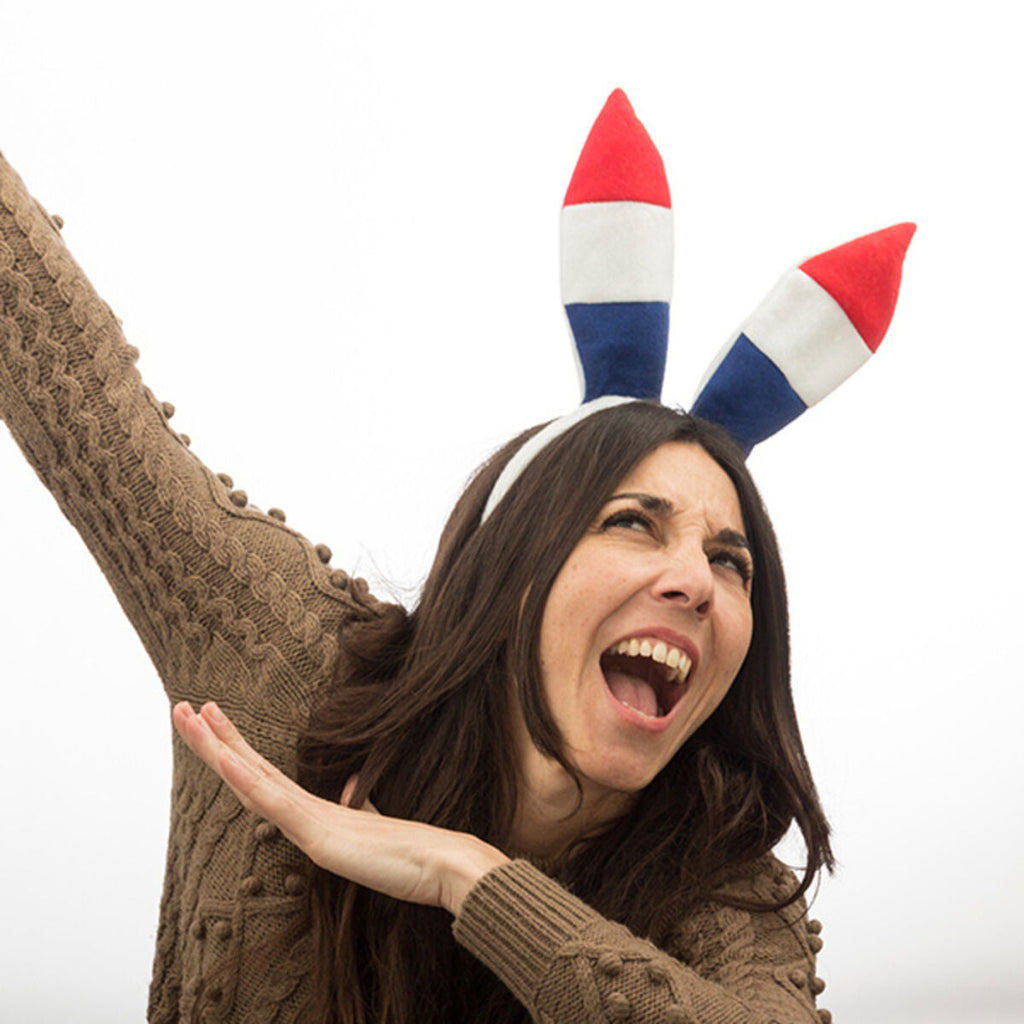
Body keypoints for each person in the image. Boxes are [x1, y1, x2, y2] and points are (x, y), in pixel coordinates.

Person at [2, 86, 907, 1019]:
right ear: (512, 570)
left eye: (731, 561)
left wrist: (465, 875)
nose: (695, 582)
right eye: (633, 522)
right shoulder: (282, 661)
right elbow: (61, 367)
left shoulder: (729, 894)